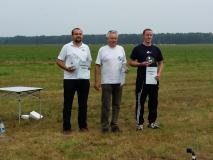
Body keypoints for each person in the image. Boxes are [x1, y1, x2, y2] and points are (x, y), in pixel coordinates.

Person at [56, 28, 92, 134]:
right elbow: (59, 61)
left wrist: (87, 67)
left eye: (80, 34)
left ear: (82, 35)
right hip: (69, 79)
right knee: (68, 104)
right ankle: (66, 127)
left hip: (84, 80)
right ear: (72, 36)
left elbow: (89, 61)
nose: (78, 35)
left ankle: (83, 126)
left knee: (83, 104)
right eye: (76, 34)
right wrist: (66, 68)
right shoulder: (67, 47)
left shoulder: (86, 47)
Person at [128, 28, 164, 131]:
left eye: (151, 35)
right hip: (142, 80)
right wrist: (140, 64)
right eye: (147, 35)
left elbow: (161, 62)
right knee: (140, 101)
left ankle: (152, 122)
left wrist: (159, 73)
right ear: (143, 36)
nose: (149, 37)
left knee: (153, 101)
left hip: (153, 80)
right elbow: (130, 62)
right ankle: (139, 124)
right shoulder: (137, 49)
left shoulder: (156, 49)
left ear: (152, 36)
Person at [94, 30, 127, 133]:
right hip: (106, 82)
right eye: (111, 38)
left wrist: (125, 69)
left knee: (117, 105)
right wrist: (97, 81)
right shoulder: (102, 50)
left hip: (119, 81)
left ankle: (114, 124)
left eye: (115, 38)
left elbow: (124, 63)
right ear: (107, 39)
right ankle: (104, 126)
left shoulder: (121, 49)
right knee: (106, 105)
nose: (114, 40)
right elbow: (97, 66)